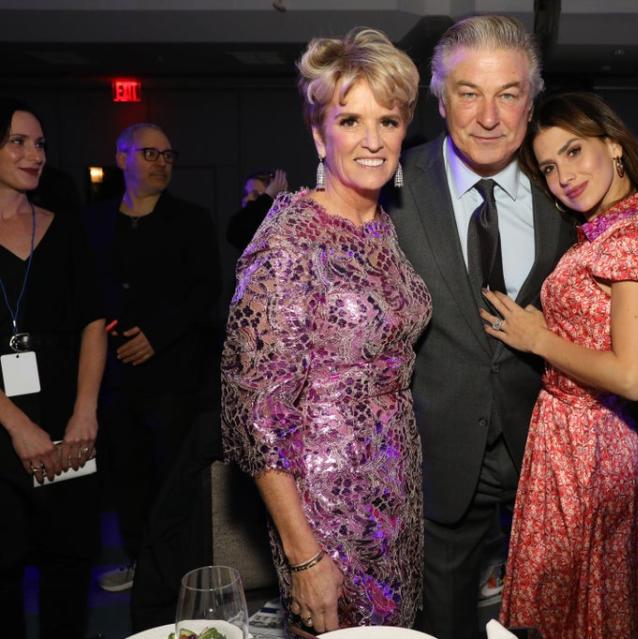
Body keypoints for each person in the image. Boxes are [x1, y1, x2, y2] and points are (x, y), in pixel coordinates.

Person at [221, 28, 430, 636]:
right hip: (324, 508)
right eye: (350, 120)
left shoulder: (382, 229)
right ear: (318, 133)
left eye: (388, 121)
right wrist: (304, 554)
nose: (372, 141)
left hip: (396, 492)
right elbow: (255, 416)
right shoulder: (287, 241)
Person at [384, 15, 576, 638]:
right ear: (440, 101)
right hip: (436, 452)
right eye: (469, 93)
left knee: (549, 617)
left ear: (532, 100)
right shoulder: (391, 186)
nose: (488, 116)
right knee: (443, 621)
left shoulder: (567, 192)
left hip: (545, 448)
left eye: (508, 94)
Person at [482, 91, 638, 639]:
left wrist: (539, 339)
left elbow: (633, 375)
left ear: (616, 147)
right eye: (550, 167)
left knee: (588, 617)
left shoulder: (631, 238)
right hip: (579, 439)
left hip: (590, 446)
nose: (563, 177)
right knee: (581, 611)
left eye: (574, 152)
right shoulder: (612, 226)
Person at [84, 122, 221, 593]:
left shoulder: (190, 219)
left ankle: (177, 572)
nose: (162, 162)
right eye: (150, 153)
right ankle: (138, 561)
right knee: (127, 474)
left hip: (173, 375)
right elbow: (82, 290)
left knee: (173, 477)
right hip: (113, 375)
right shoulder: (93, 221)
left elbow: (206, 291)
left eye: (168, 155)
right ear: (122, 158)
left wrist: (157, 336)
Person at [0, 98, 106, 638]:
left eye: (39, 143)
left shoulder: (67, 228)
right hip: (1, 429)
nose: (33, 153)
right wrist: (17, 426)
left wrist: (85, 413)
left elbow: (92, 321)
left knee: (69, 571)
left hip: (67, 425)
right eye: (18, 141)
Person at [225, 167, 289, 252]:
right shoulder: (244, 227)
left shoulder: (284, 229)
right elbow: (234, 232)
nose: (247, 199)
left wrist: (267, 196)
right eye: (245, 194)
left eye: (256, 195)